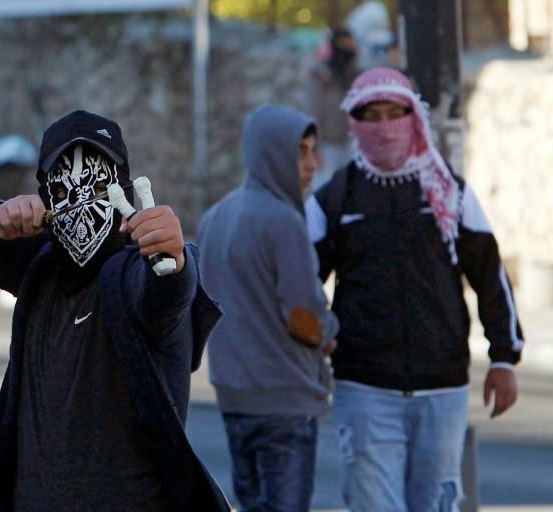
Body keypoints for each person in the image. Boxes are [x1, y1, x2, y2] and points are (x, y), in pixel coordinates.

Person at [0, 110, 230, 511]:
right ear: (46, 197)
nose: (82, 199)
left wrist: (171, 256)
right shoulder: (41, 269)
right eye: (64, 186)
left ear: (124, 188)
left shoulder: (135, 273)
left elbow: (166, 294)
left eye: (98, 182)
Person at [305, 68, 524, 511]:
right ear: (355, 122)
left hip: (442, 390)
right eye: (372, 115)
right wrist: (318, 333)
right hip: (364, 388)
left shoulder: (452, 194)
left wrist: (504, 356)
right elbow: (299, 279)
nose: (384, 126)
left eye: (394, 113)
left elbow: (489, 276)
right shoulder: (336, 197)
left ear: (413, 117)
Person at [197, 105, 339, 512]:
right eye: (301, 151)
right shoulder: (284, 222)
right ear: (271, 154)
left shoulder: (214, 218)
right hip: (284, 400)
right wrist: (330, 333)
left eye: (313, 150)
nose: (314, 163)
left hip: (234, 394)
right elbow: (304, 318)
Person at [303, 28, 359, 192]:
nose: (349, 50)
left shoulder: (353, 75)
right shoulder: (320, 76)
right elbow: (312, 112)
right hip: (327, 146)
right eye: (344, 45)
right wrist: (314, 149)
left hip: (351, 144)